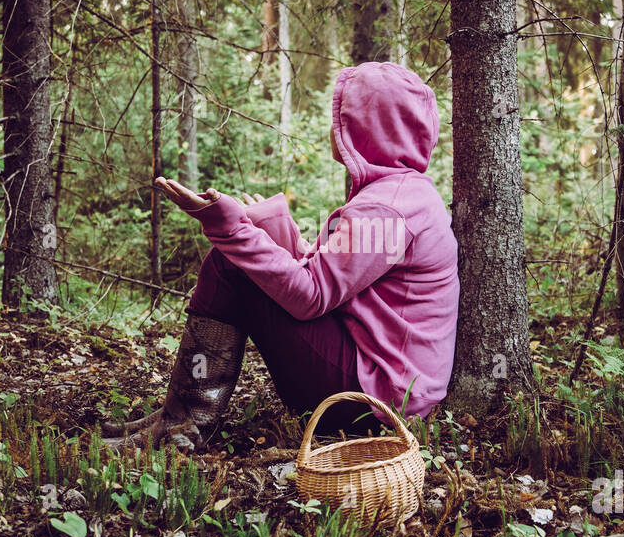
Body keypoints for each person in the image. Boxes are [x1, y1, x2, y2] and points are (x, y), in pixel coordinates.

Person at [102, 61, 459, 450]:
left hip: (372, 402)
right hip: (382, 386)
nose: (333, 128)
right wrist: (273, 227)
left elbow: (311, 297)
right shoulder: (399, 195)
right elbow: (332, 276)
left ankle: (182, 424)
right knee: (236, 261)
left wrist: (231, 228)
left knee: (230, 266)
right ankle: (178, 413)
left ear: (367, 127)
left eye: (342, 116)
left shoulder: (386, 210)